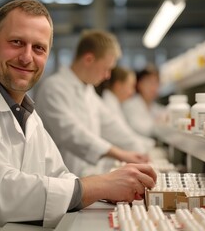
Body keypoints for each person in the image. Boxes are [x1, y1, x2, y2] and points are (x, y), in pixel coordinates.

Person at [0, 0, 156, 231]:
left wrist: (103, 189)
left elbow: (59, 175)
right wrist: (96, 185)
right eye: (16, 42)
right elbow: (1, 195)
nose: (27, 57)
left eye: (38, 48)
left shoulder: (27, 116)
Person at [35, 30, 150, 178]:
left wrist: (139, 150)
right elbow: (72, 133)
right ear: (89, 59)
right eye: (106, 68)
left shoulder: (88, 90)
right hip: (61, 181)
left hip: (85, 178)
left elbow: (111, 124)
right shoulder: (53, 88)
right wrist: (119, 153)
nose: (107, 75)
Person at [100, 66, 155, 149]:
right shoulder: (109, 105)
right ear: (118, 86)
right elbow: (123, 137)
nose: (132, 92)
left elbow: (127, 134)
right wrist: (149, 145)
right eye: (131, 86)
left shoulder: (114, 103)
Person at [122, 64, 167, 137]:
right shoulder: (130, 105)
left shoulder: (155, 107)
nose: (153, 87)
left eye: (156, 82)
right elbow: (142, 130)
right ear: (139, 84)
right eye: (149, 82)